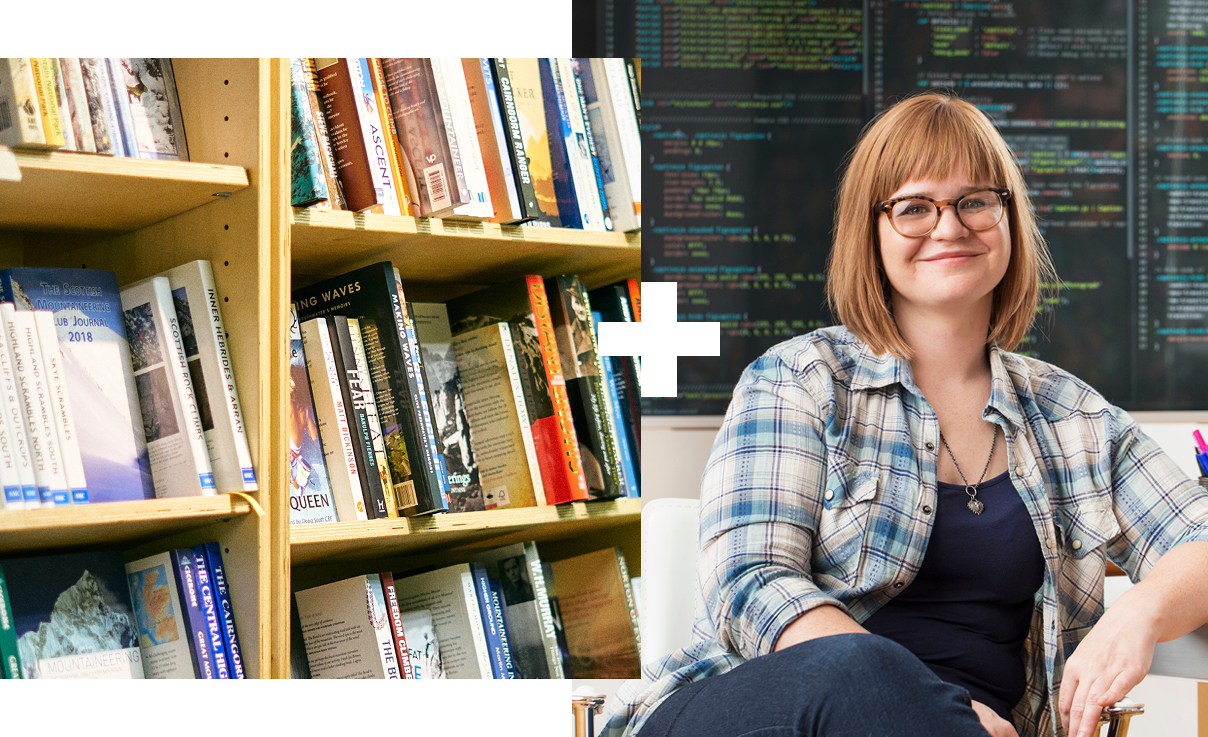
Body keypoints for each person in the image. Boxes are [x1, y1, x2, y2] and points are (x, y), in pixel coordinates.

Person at [606, 92, 1208, 737]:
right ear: (871, 233)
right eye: (914, 207)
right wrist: (932, 704)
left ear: (1009, 218)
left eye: (975, 201)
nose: (949, 228)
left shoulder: (1074, 418)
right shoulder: (799, 380)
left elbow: (1199, 538)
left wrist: (1140, 611)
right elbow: (751, 582)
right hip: (762, 713)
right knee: (862, 668)